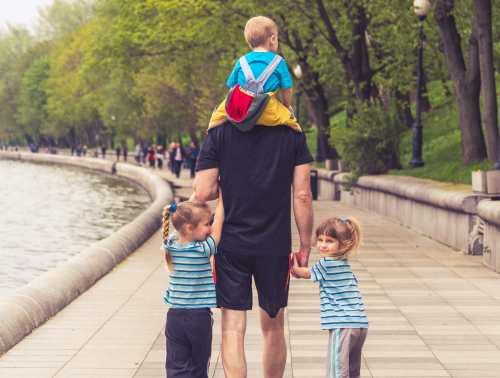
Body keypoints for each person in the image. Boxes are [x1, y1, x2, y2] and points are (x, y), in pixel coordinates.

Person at [193, 22, 314, 374]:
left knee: (232, 327)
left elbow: (203, 191)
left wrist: (226, 187)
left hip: (230, 243)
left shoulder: (219, 131)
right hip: (274, 245)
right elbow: (303, 196)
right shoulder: (293, 134)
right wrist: (305, 246)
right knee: (273, 326)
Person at [291, 217, 369, 378]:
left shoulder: (327, 263)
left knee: (337, 370)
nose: (323, 245)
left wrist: (294, 266)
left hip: (342, 325)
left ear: (344, 243)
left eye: (329, 241)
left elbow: (306, 273)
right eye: (320, 239)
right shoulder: (343, 263)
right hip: (360, 325)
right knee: (352, 370)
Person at [161, 193, 225, 378]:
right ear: (190, 228)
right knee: (199, 366)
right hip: (199, 317)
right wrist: (223, 197)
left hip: (174, 316)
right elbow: (219, 221)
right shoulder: (203, 250)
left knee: (176, 366)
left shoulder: (170, 244)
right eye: (206, 224)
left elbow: (180, 220)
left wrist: (194, 198)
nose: (210, 227)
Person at [226, 16, 294, 112]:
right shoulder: (279, 62)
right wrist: (286, 106)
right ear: (272, 39)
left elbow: (232, 89)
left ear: (249, 43)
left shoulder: (241, 62)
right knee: (294, 126)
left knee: (217, 119)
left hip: (243, 113)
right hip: (269, 112)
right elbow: (287, 89)